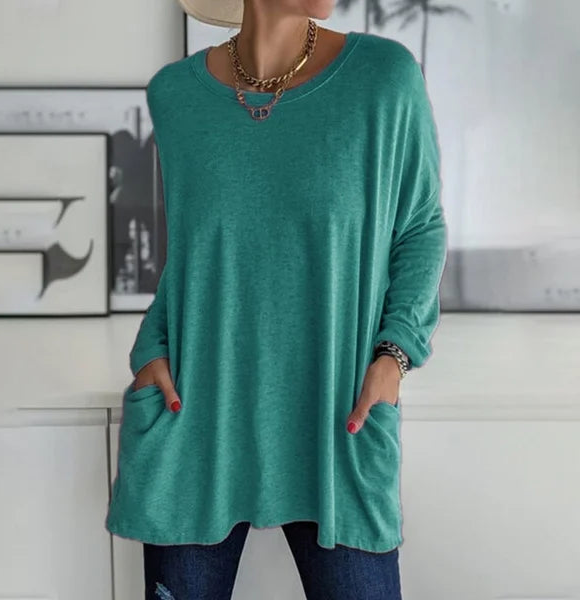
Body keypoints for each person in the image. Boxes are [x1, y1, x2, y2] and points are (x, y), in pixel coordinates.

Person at [105, 0, 448, 598]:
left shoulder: (385, 77)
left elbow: (419, 227)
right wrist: (151, 348)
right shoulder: (176, 95)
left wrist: (395, 355)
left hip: (338, 419)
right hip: (195, 419)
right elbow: (192, 254)